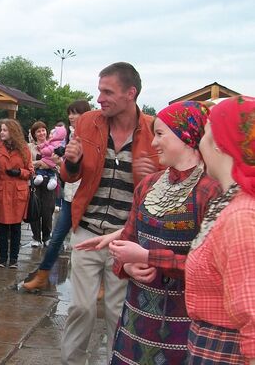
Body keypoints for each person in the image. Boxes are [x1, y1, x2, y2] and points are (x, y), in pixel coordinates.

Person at [75, 101, 221, 364]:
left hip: (183, 327)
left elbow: (212, 270)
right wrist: (126, 265)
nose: (153, 143)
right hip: (136, 321)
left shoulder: (210, 192)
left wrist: (148, 257)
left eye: (161, 134)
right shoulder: (148, 185)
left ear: (186, 136)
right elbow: (128, 241)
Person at [59, 62, 160, 365]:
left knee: (119, 311)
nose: (99, 98)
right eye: (99, 89)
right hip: (87, 230)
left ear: (131, 93)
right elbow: (70, 176)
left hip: (126, 238)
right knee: (81, 308)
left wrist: (153, 175)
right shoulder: (88, 122)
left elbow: (168, 187)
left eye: (107, 91)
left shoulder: (154, 129)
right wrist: (72, 162)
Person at [185, 96, 255, 364]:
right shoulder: (231, 203)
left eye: (204, 133)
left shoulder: (241, 216)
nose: (199, 142)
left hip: (228, 351)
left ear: (218, 142)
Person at [22, 100, 90, 291]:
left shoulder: (91, 136)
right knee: (58, 235)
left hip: (86, 192)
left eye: (75, 113)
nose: (71, 117)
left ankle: (96, 281)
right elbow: (59, 159)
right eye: (70, 113)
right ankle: (42, 275)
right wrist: (59, 161)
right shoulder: (69, 136)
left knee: (84, 238)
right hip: (69, 191)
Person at [0, 119, 33, 269]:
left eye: (5, 130)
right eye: (1, 130)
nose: (1, 133)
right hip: (2, 190)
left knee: (15, 227)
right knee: (2, 227)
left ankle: (13, 259)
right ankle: (2, 258)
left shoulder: (24, 149)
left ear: (13, 131)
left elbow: (31, 171)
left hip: (18, 191)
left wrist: (19, 172)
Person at [27, 120, 58, 247]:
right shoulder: (30, 147)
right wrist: (39, 164)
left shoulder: (53, 145)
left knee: (47, 209)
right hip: (34, 181)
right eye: (38, 131)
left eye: (43, 130)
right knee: (34, 208)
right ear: (34, 134)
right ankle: (35, 237)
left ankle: (46, 236)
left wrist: (48, 165)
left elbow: (57, 163)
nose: (41, 133)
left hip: (49, 182)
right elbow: (27, 163)